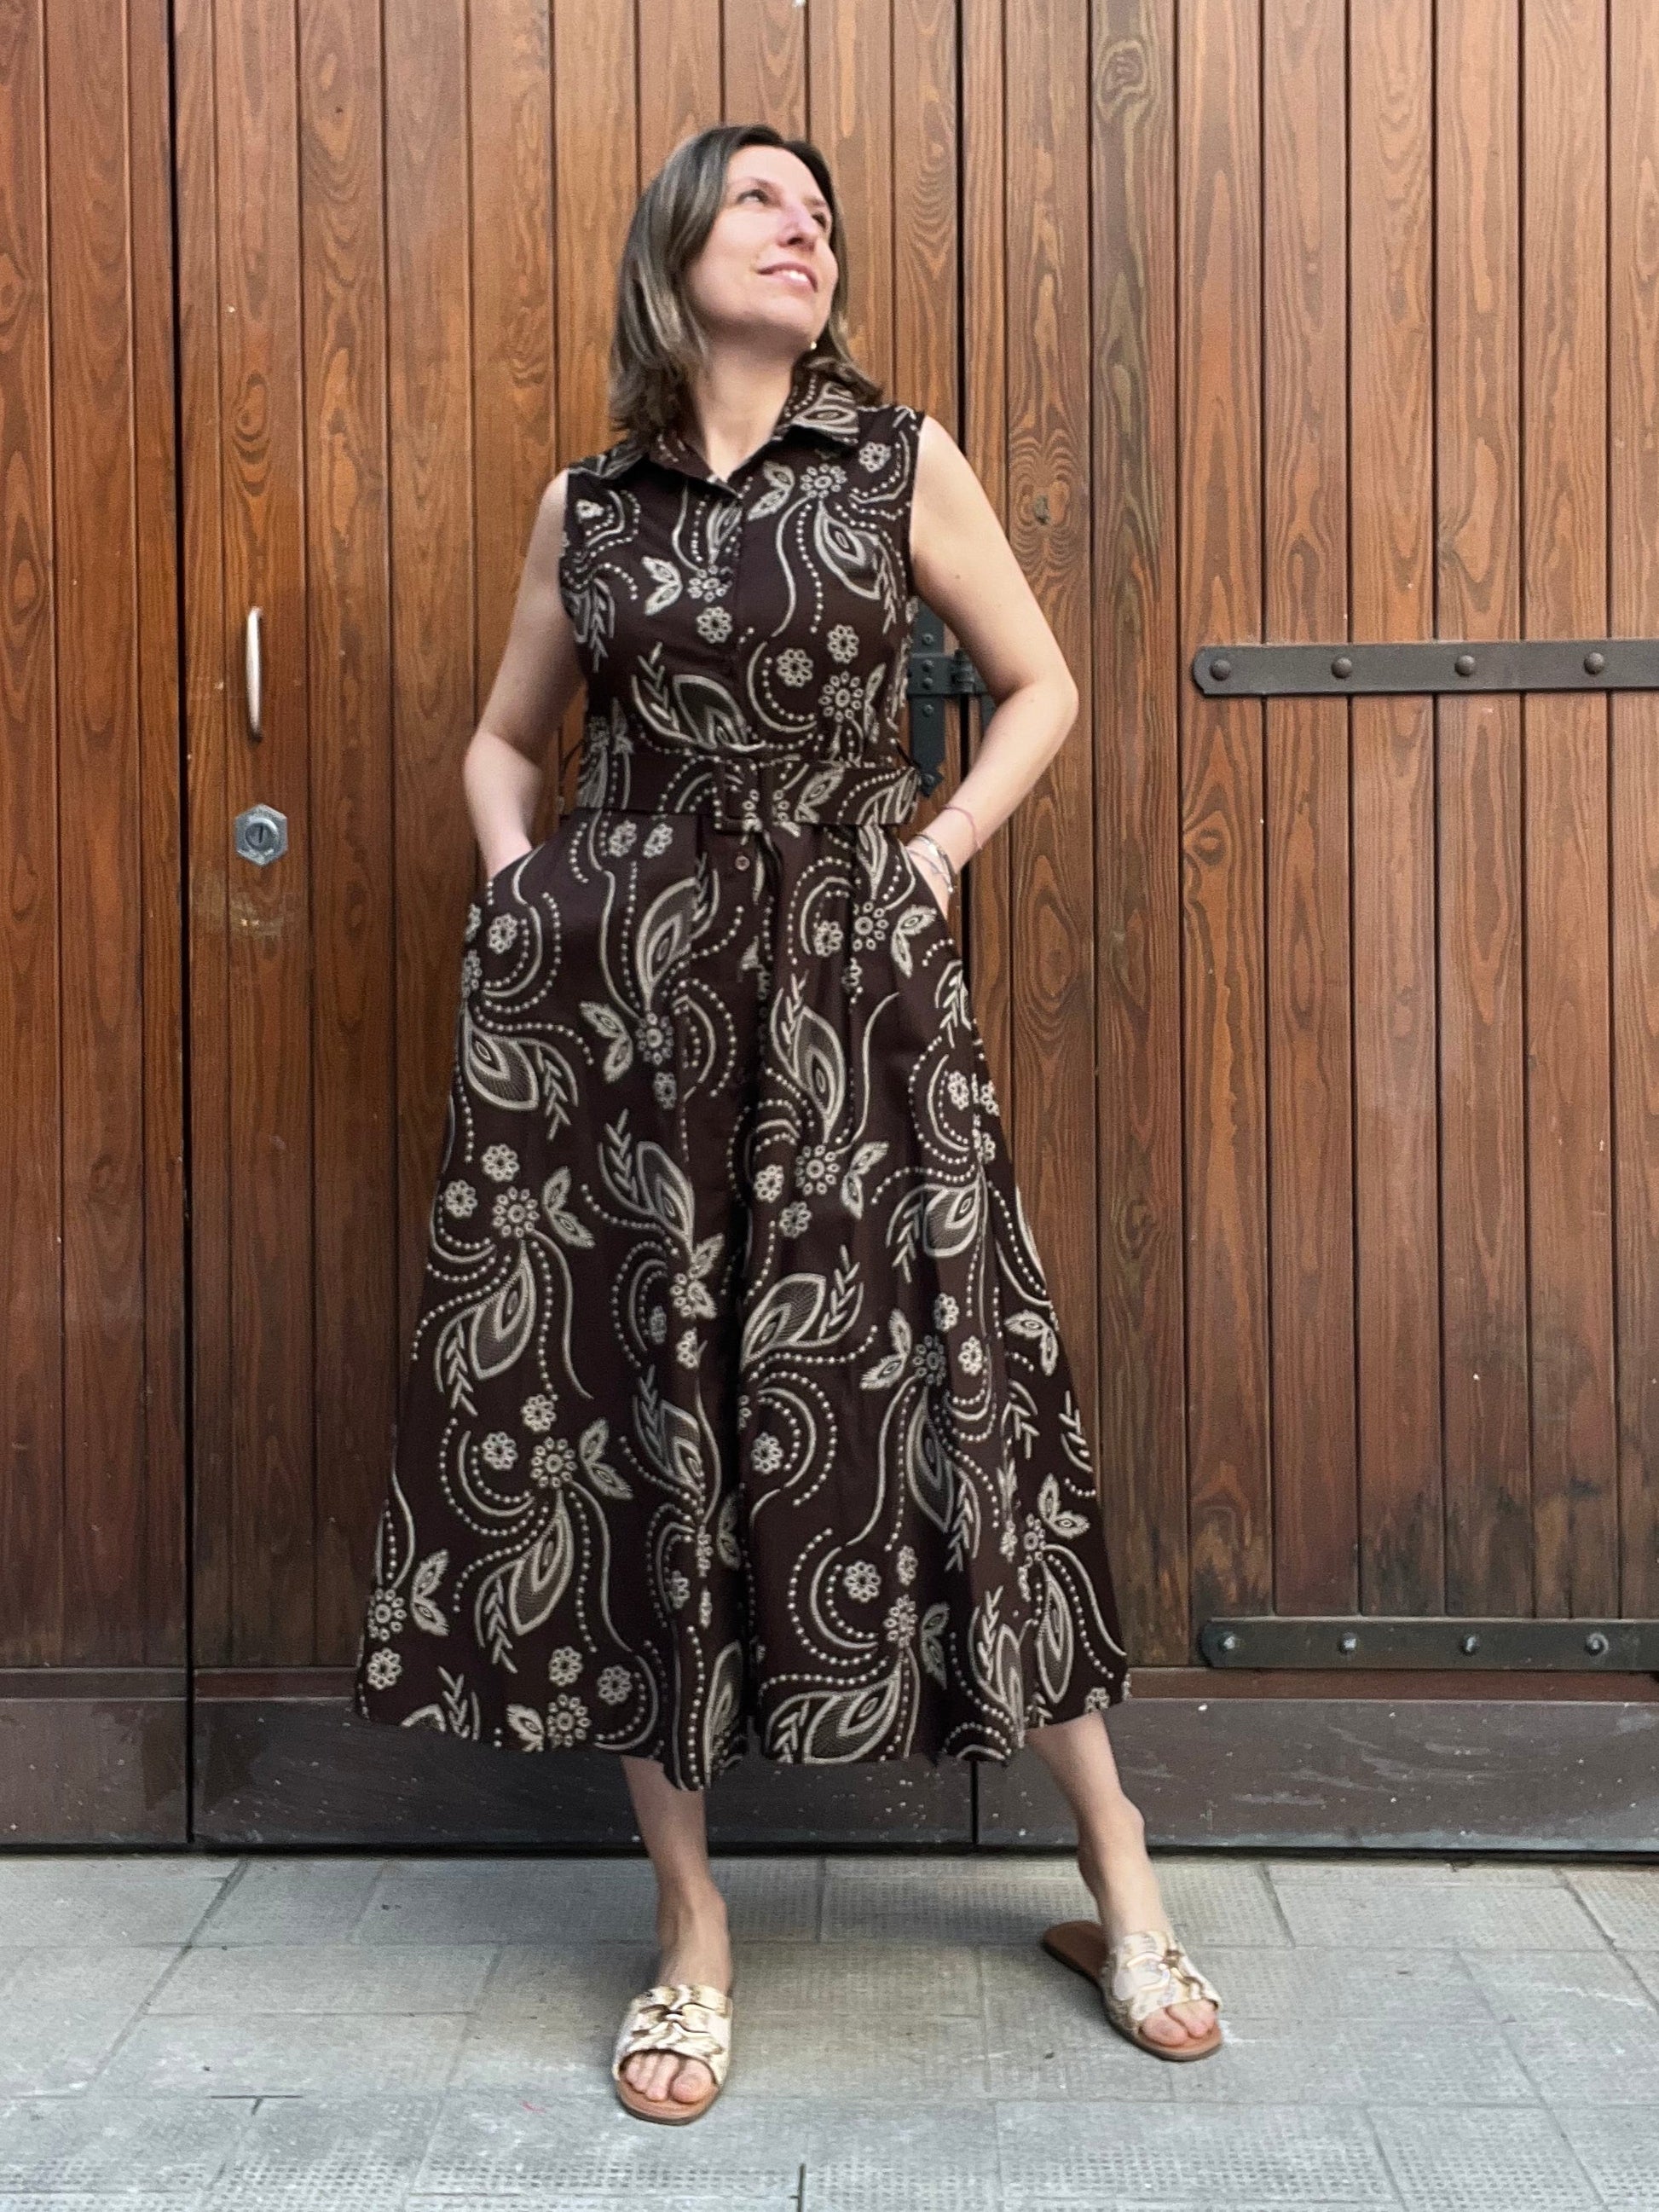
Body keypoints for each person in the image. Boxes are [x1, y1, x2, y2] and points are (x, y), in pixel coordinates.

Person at [352, 121, 1222, 2118]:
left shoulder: (896, 464)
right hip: (627, 1029)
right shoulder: (589, 507)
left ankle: (1121, 1874)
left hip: (853, 1006)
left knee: (957, 1402)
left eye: (816, 210)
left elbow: (1039, 684)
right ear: (674, 250)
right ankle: (691, 1928)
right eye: (759, 198)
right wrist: (522, 888)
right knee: (640, 1429)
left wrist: (931, 857)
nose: (799, 222)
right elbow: (502, 738)